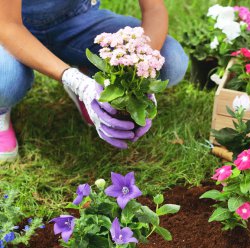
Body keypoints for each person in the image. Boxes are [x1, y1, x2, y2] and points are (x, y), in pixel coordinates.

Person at [0, 0, 189, 161]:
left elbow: (153, 9)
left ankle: (94, 76)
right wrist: (75, 81)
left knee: (170, 61)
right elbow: (8, 26)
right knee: (6, 81)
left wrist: (140, 70)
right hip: (8, 23)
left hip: (75, 21)